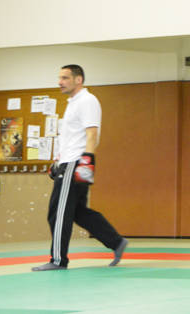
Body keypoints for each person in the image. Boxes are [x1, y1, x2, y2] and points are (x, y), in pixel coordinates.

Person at [32, 64, 128, 271]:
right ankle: (116, 241)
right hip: (68, 161)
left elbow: (92, 133)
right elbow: (71, 137)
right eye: (60, 77)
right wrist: (57, 161)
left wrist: (86, 161)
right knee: (77, 212)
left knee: (58, 213)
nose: (60, 82)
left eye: (65, 78)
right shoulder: (72, 103)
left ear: (78, 80)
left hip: (76, 163)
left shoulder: (87, 101)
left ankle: (58, 260)